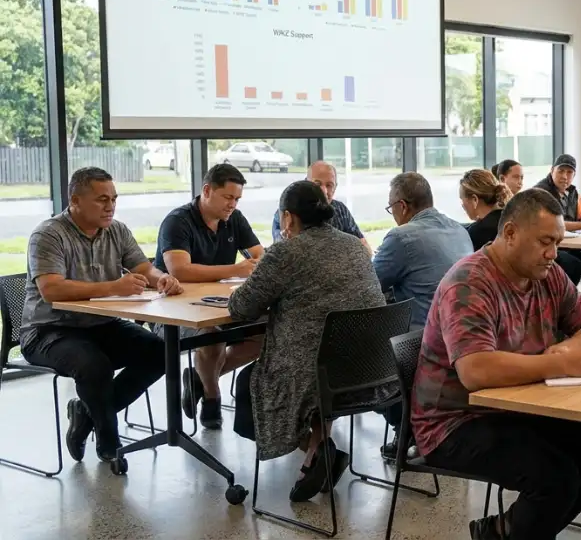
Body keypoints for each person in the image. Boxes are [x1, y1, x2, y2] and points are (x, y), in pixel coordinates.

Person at [410, 189, 581, 540]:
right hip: (455, 422)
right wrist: (561, 365)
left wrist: (567, 351)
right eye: (545, 241)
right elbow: (475, 372)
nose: (553, 253)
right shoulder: (469, 283)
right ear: (510, 233)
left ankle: (506, 530)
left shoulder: (548, 274)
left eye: (557, 242)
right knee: (555, 477)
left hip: (519, 405)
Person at [229, 180, 394, 502]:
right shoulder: (353, 246)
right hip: (372, 369)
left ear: (288, 218)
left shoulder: (285, 252)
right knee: (315, 362)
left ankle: (320, 451)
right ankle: (316, 457)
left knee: (252, 382)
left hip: (317, 376)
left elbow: (241, 308)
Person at [21, 167, 183, 463]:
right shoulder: (47, 234)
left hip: (101, 323)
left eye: (114, 199)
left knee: (161, 352)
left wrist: (160, 278)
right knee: (94, 366)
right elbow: (51, 290)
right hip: (49, 330)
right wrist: (114, 287)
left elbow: (142, 268)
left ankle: (86, 413)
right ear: (75, 200)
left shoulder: (117, 230)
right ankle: (110, 445)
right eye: (101, 200)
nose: (110, 207)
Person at [153, 163, 265, 429]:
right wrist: (236, 269)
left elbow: (260, 256)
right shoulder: (177, 221)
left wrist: (259, 263)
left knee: (266, 333)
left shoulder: (234, 219)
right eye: (228, 197)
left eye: (237, 199)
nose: (233, 205)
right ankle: (212, 397)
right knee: (211, 338)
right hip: (172, 310)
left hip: (221, 306)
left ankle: (200, 381)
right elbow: (179, 270)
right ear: (206, 191)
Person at [375, 172, 473, 329]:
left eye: (390, 207)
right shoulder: (460, 229)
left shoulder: (401, 237)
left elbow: (372, 283)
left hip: (421, 339)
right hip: (461, 330)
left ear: (402, 206)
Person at [533, 154, 581, 284]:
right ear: (552, 170)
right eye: (560, 171)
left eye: (569, 172)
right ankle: (564, 300)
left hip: (570, 245)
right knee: (574, 265)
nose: (565, 176)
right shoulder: (541, 192)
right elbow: (551, 224)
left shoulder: (572, 192)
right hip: (549, 246)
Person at [271, 161, 371, 253]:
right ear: (305, 183)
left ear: (335, 187)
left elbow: (365, 249)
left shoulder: (340, 210)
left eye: (329, 185)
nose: (323, 191)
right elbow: (283, 255)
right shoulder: (288, 213)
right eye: (317, 184)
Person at [459, 168, 512, 251]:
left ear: (474, 200)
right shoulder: (510, 216)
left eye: (462, 200)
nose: (462, 205)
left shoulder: (477, 232)